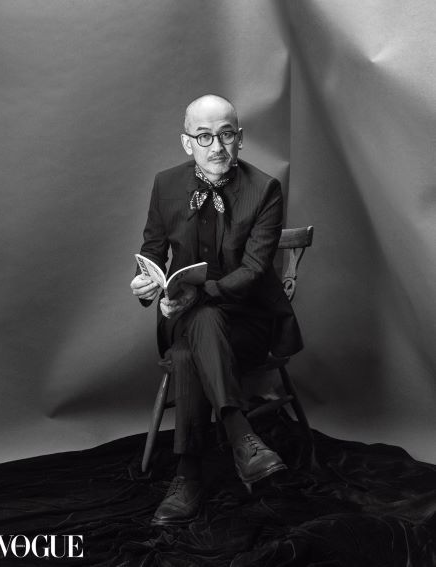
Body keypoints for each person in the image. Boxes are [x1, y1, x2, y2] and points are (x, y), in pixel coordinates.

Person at [131, 94, 302, 526]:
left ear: (240, 138)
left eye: (226, 134)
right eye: (204, 136)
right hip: (183, 315)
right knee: (199, 321)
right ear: (187, 142)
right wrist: (144, 283)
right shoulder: (166, 184)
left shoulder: (264, 189)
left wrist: (199, 295)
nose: (217, 146)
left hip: (247, 322)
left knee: (190, 346)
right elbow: (151, 250)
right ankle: (242, 437)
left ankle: (188, 476)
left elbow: (254, 271)